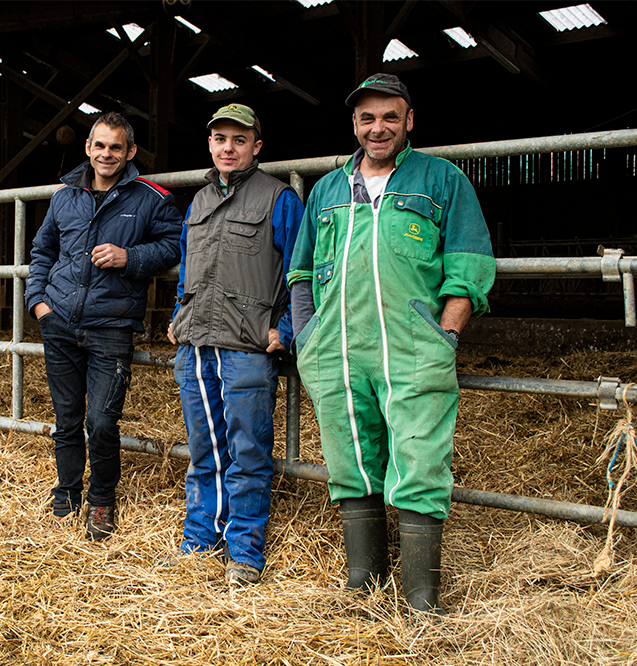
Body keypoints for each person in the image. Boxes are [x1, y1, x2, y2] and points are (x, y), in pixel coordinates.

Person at [287, 74, 495, 613]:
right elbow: (302, 269)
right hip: (335, 347)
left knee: (419, 458)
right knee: (350, 456)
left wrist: (444, 334)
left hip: (411, 345)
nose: (377, 128)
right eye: (367, 118)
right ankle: (364, 583)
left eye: (389, 117)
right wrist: (308, 334)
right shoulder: (330, 189)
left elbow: (469, 262)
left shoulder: (441, 179)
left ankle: (422, 598)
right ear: (354, 124)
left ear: (409, 121)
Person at [26, 112, 182, 541]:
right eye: (99, 145)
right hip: (59, 320)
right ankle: (67, 491)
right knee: (68, 418)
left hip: (111, 325)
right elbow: (43, 251)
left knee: (101, 421)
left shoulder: (151, 197)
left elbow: (174, 245)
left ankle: (101, 501)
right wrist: (38, 303)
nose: (106, 154)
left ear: (130, 152)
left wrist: (128, 257)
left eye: (116, 147)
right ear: (88, 149)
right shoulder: (65, 196)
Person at [167, 103, 304, 585]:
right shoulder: (199, 201)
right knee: (204, 449)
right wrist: (178, 313)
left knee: (247, 451)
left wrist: (284, 329)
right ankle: (199, 540)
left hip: (247, 345)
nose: (229, 147)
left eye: (239, 140)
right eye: (220, 138)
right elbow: (187, 264)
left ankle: (244, 552)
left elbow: (301, 271)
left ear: (256, 147)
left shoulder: (279, 200)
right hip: (196, 344)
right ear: (210, 144)